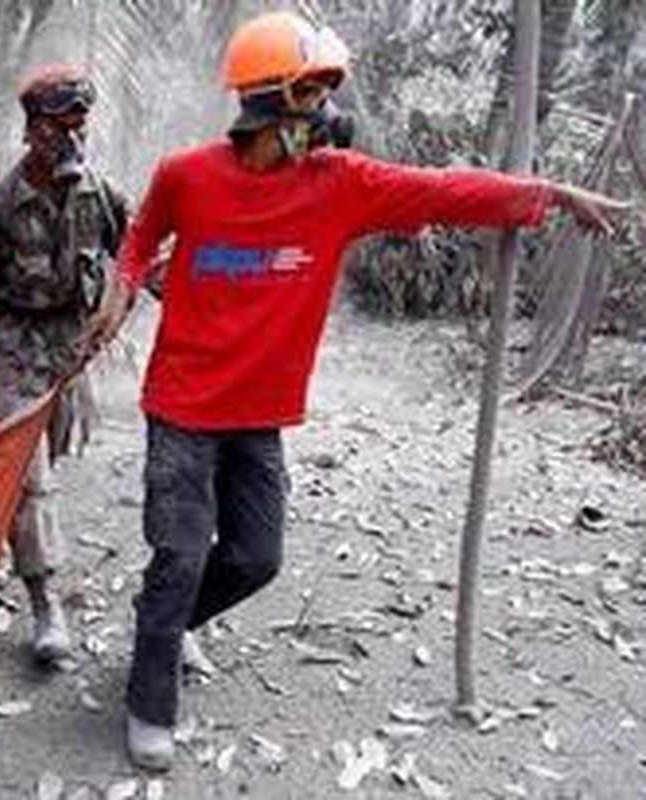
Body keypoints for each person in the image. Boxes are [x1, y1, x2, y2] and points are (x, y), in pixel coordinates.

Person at [82, 10, 629, 772]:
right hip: (181, 404)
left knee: (256, 556)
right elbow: (141, 236)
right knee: (177, 552)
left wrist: (549, 194)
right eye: (312, 93)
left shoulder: (340, 186)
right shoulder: (187, 175)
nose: (328, 111)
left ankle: (163, 625)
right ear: (267, 100)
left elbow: (445, 191)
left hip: (257, 414)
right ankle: (149, 697)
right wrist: (123, 285)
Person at [0, 64, 130, 665]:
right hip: (10, 348)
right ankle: (46, 606)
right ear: (31, 130)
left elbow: (144, 262)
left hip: (68, 355)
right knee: (28, 476)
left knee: (48, 463)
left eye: (79, 126)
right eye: (56, 127)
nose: (69, 140)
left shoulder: (104, 199)